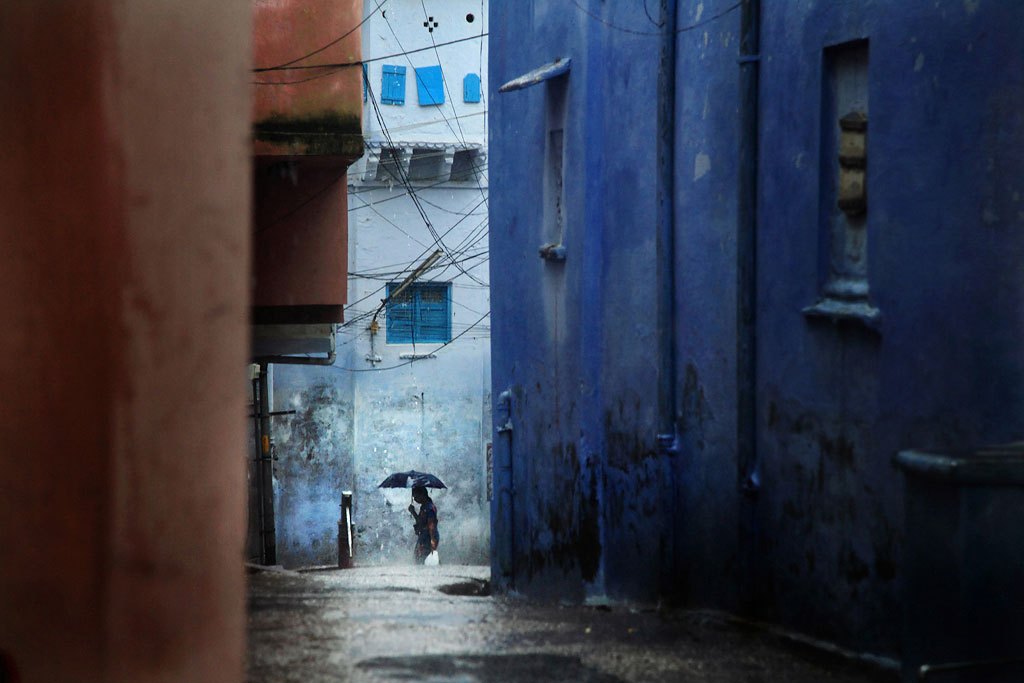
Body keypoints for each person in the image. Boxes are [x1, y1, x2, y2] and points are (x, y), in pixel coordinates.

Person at [407, 485, 439, 564]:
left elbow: (431, 525)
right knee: (418, 558)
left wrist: (432, 541)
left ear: (422, 495)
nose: (414, 499)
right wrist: (413, 512)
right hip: (424, 536)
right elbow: (420, 521)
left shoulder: (429, 508)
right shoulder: (424, 507)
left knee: (421, 559)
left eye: (416, 496)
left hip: (428, 537)